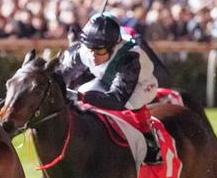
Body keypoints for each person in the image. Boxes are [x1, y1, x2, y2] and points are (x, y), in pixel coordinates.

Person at [58, 12, 163, 165]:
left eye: (99, 51)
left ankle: (151, 144)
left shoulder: (130, 58)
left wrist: (79, 97)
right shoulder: (86, 50)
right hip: (108, 80)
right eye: (90, 49)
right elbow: (63, 76)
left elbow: (117, 100)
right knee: (84, 91)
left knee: (131, 103)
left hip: (142, 84)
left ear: (113, 47)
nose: (93, 56)